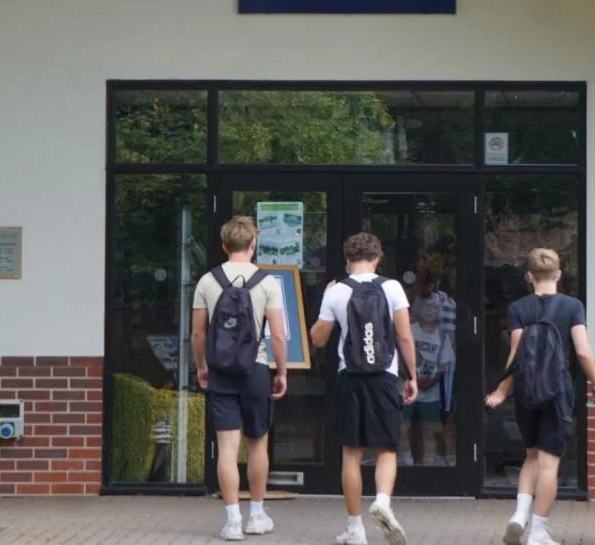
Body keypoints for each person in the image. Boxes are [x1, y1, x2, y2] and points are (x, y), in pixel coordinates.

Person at [485, 248, 595, 545]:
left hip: (527, 391)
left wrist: (502, 390)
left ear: (529, 277)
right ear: (559, 275)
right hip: (557, 393)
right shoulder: (572, 306)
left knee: (531, 456)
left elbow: (515, 355)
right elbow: (582, 350)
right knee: (549, 463)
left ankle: (519, 515)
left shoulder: (519, 309)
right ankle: (538, 533)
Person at [311, 232, 418, 545]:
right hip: (385, 377)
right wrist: (411, 375)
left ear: (347, 259)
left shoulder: (337, 291)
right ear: (378, 257)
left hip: (351, 378)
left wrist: (325, 300)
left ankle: (355, 529)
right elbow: (405, 336)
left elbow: (318, 339)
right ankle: (383, 501)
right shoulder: (392, 287)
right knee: (386, 449)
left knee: (351, 454)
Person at [191, 216, 289, 541]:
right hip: (255, 369)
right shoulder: (267, 283)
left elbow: (197, 333)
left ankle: (232, 521)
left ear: (223, 245)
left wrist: (202, 367)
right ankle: (257, 515)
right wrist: (282, 371)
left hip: (220, 370)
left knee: (227, 447)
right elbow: (277, 335)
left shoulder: (208, 281)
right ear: (253, 244)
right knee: (258, 443)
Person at [404, 292, 454, 465]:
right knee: (403, 427)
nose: (429, 311)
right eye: (426, 307)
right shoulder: (410, 330)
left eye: (434, 308)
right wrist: (412, 377)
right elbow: (400, 356)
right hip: (407, 388)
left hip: (431, 392)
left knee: (430, 428)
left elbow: (443, 365)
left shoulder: (442, 336)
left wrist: (432, 381)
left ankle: (428, 462)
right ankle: (406, 460)